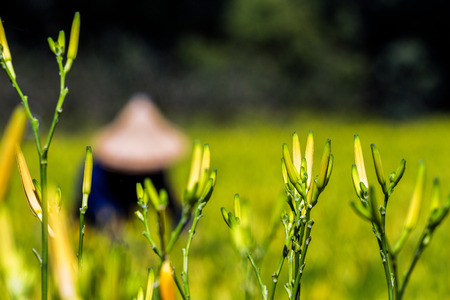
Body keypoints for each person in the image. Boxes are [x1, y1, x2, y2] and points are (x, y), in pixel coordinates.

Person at [83, 94, 187, 228]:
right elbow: (103, 213)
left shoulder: (155, 170)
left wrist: (185, 223)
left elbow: (170, 203)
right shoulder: (96, 171)